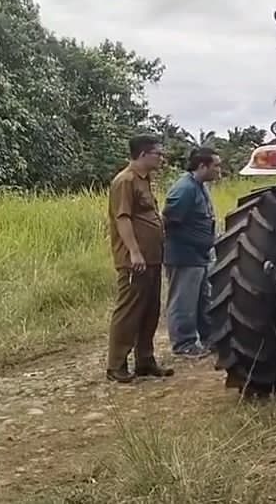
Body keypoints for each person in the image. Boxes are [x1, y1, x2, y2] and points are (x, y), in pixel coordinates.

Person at [105, 134, 174, 383]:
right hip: (135, 259)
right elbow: (122, 218)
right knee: (129, 311)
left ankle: (145, 359)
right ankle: (116, 365)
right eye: (158, 153)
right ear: (143, 154)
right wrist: (134, 251)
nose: (161, 158)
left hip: (152, 257)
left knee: (150, 310)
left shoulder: (144, 180)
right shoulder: (124, 181)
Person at [162, 147, 222, 358]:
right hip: (184, 255)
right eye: (216, 165)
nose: (219, 169)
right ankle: (184, 344)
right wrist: (189, 240)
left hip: (199, 255)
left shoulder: (200, 186)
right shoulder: (185, 188)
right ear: (202, 166)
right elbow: (169, 219)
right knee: (184, 301)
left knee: (203, 300)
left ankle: (208, 339)